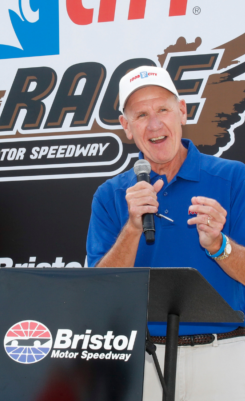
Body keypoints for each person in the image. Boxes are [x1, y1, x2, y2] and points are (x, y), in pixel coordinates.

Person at [86, 66, 245, 399]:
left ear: (183, 112)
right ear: (126, 127)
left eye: (162, 109)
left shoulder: (234, 179)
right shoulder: (111, 195)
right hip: (139, 359)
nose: (155, 124)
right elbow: (97, 294)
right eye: (141, 114)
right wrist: (131, 228)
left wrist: (219, 245)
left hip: (225, 355)